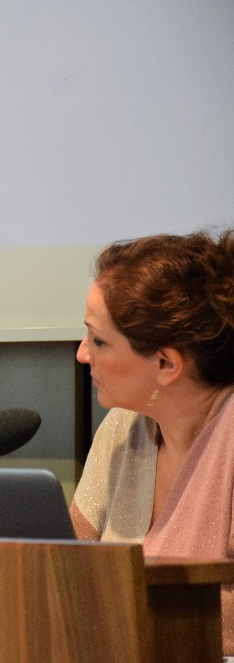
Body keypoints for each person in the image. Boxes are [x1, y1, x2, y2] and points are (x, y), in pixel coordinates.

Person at [71, 229, 234, 655]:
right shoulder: (122, 427)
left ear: (166, 363)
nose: (82, 354)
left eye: (98, 340)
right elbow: (66, 573)